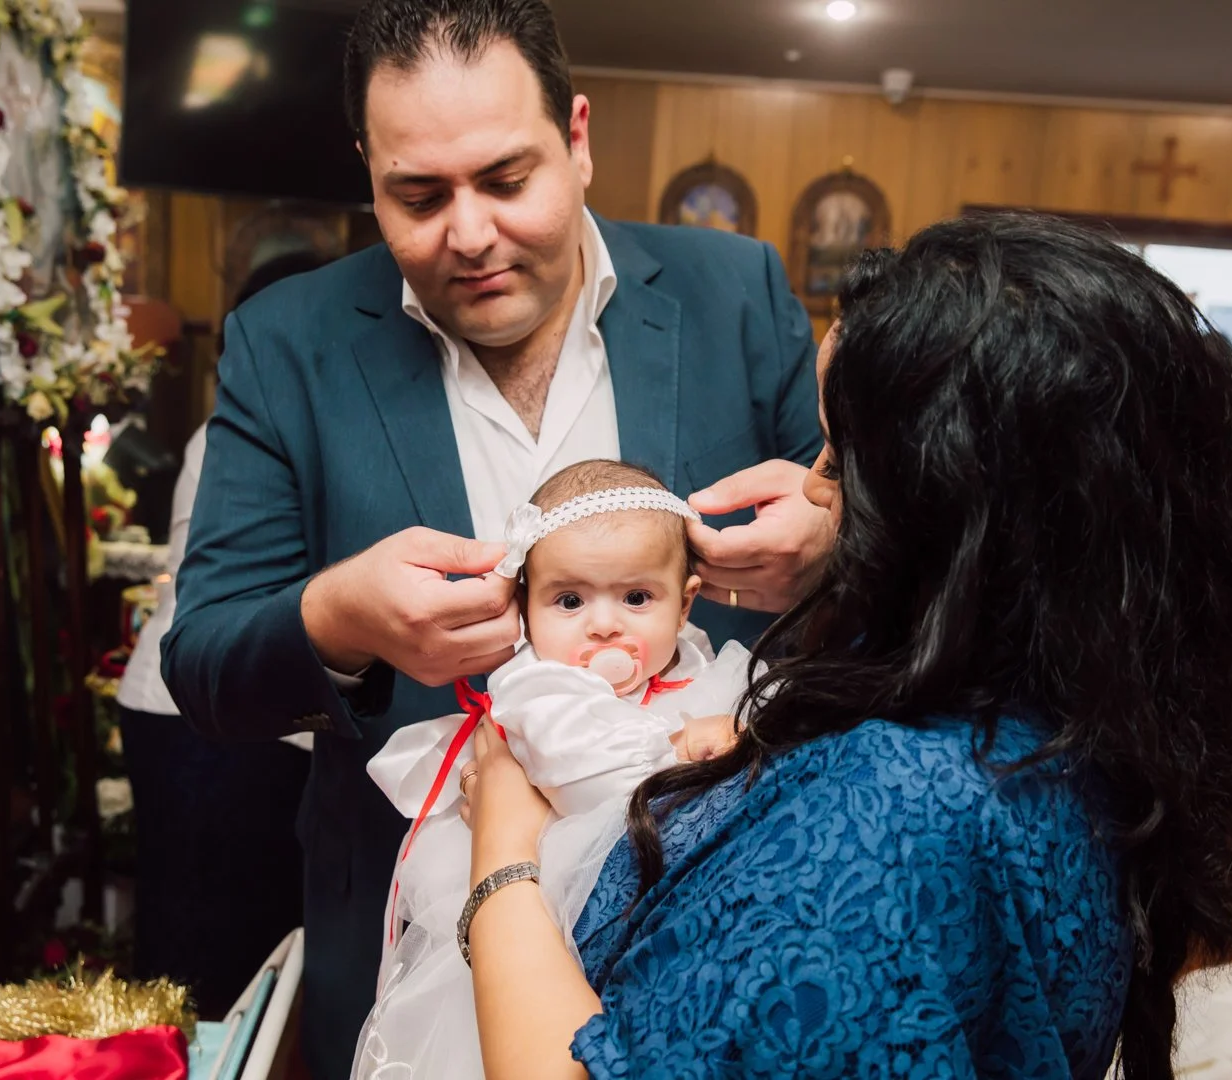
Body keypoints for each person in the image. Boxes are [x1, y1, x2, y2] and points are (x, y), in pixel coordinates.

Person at [159, 0, 827, 1070]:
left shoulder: (734, 298)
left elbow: (882, 590)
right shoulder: (288, 343)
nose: (468, 234)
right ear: (368, 174)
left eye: (507, 180)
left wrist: (833, 557)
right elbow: (203, 665)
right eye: (418, 197)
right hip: (411, 954)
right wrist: (337, 620)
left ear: (578, 137)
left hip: (711, 930)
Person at [460, 216, 1232, 1079]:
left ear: (950, 508)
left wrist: (502, 852)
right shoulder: (1072, 712)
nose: (812, 484)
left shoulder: (882, 815)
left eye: (843, 458)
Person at [355, 460, 748, 1079]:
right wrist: (682, 746)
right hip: (540, 914)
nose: (603, 622)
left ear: (684, 604)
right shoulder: (538, 689)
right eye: (569, 600)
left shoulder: (701, 667)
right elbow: (589, 779)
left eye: (637, 597)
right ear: (523, 609)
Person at [116, 250, 329, 1017]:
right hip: (206, 713)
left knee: (206, 931)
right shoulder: (254, 430)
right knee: (210, 948)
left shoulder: (241, 422)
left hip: (195, 707)